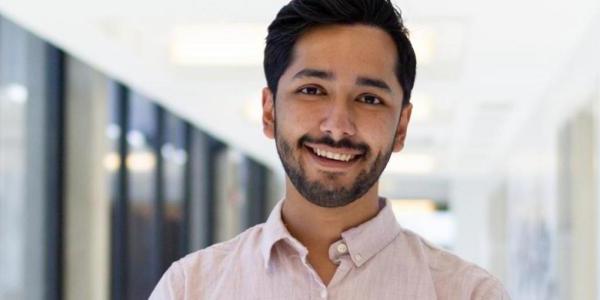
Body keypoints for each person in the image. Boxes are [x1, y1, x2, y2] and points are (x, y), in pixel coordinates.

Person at [150, 0, 510, 299]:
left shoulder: (468, 293)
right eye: (312, 90)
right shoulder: (190, 288)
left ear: (401, 126)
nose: (337, 125)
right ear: (269, 111)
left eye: (369, 98)